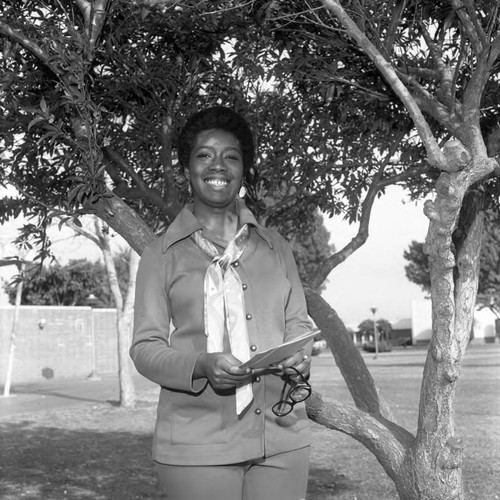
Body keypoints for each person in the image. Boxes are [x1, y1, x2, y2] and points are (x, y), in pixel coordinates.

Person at [130, 106, 313, 500]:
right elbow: (145, 349)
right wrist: (200, 365)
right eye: (204, 155)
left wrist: (300, 353)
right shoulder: (160, 255)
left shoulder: (276, 247)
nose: (219, 164)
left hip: (282, 438)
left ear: (243, 171)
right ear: (186, 171)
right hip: (196, 446)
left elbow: (299, 322)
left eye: (231, 156)